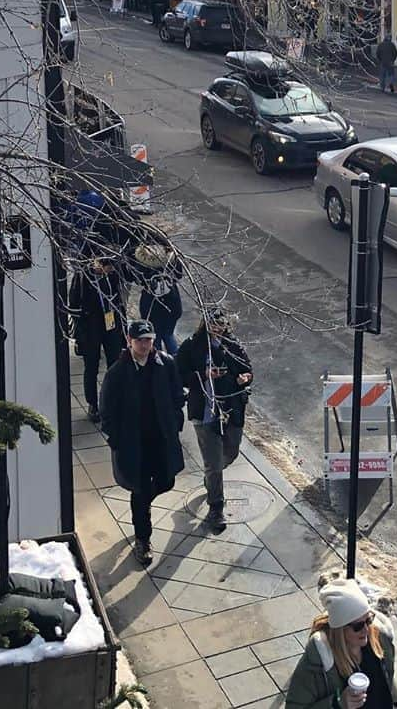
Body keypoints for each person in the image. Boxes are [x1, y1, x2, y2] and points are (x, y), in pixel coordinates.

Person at [99, 319, 185, 567]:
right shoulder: (117, 372)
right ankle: (142, 539)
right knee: (139, 491)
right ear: (129, 341)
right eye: (140, 340)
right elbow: (107, 412)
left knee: (166, 481)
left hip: (160, 439)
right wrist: (117, 441)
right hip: (134, 444)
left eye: (148, 339)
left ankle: (143, 506)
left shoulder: (165, 364)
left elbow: (177, 395)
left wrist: (175, 423)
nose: (145, 344)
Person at [176, 309, 253, 533]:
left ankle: (211, 479)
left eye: (221, 325)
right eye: (213, 324)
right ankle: (216, 507)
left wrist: (245, 377)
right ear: (205, 324)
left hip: (231, 408)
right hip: (205, 413)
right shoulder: (192, 345)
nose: (218, 329)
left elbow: (248, 369)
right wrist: (204, 374)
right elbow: (179, 374)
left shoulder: (233, 345)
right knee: (213, 463)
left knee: (230, 453)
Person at [285, 578, 397, 709]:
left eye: (368, 620)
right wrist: (337, 703)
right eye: (358, 626)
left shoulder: (379, 637)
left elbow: (384, 676)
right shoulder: (318, 662)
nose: (366, 629)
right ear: (340, 629)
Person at [71, 257, 126, 423]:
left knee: (114, 364)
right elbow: (74, 303)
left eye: (108, 267)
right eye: (102, 266)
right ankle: (93, 404)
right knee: (91, 365)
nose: (105, 270)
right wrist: (79, 331)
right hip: (90, 326)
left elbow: (120, 300)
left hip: (111, 323)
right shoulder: (83, 277)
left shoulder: (113, 275)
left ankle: (113, 401)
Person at [133, 242, 183, 356]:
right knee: (168, 335)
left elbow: (137, 277)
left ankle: (158, 364)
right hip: (173, 305)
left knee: (156, 338)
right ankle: (176, 364)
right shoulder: (172, 258)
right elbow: (179, 274)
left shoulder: (143, 259)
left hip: (151, 307)